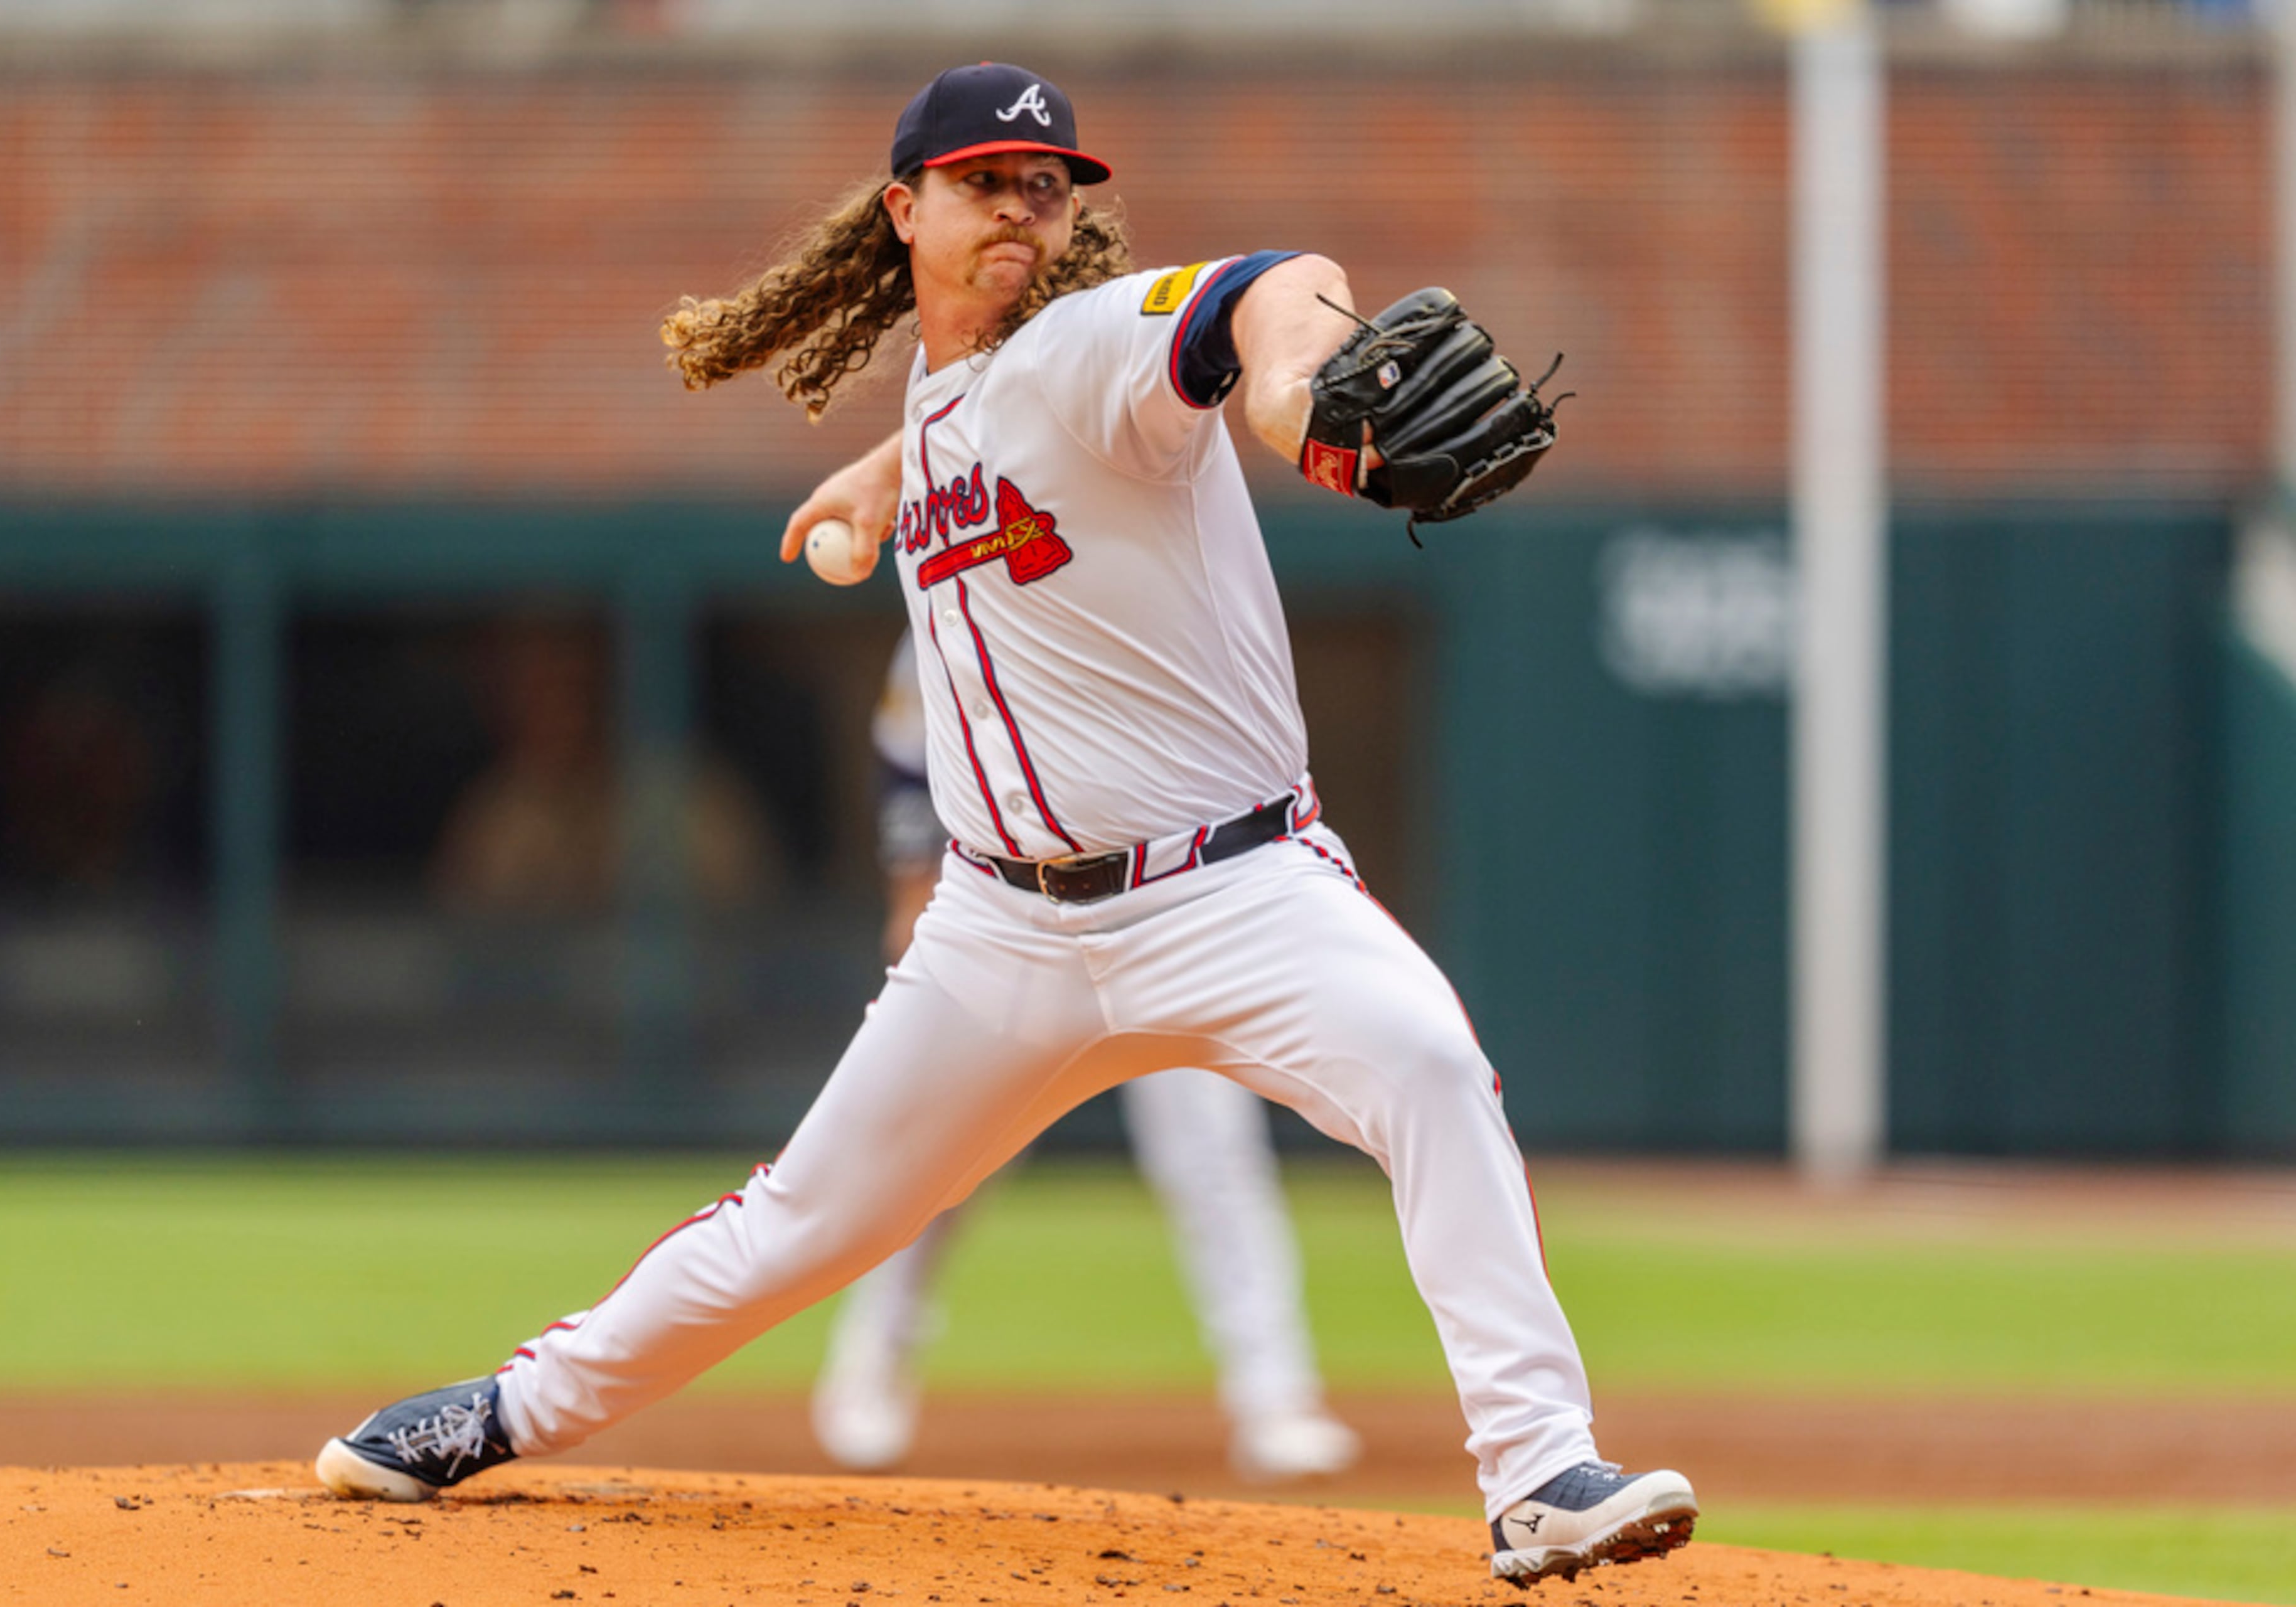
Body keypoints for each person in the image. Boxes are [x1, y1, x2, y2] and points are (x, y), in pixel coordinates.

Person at [316, 61, 1698, 1589]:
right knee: (802, 1223)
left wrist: (1305, 395)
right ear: (906, 210)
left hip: (1230, 891)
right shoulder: (958, 388)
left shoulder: (1101, 348)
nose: (1023, 211)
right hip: (1005, 932)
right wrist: (873, 474)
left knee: (1432, 1067)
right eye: (986, 184)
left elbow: (1267, 294)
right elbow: (969, 426)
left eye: (1046, 186)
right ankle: (504, 1412)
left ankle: (1539, 1471)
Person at [810, 629, 1361, 1483]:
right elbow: (908, 745)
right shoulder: (965, 576)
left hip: (1163, 919)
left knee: (1215, 1155)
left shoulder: (1136, 583)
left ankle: (1276, 1397)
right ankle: (867, 1366)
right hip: (1018, 928)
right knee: (944, 1164)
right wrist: (911, 886)